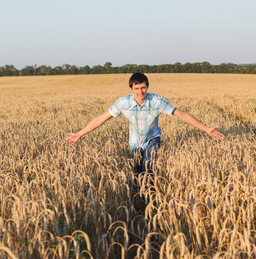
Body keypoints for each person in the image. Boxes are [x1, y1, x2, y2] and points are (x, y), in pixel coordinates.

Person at [65, 73, 225, 202]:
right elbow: (101, 118)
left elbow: (181, 114)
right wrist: (79, 133)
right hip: (134, 143)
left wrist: (206, 129)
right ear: (131, 88)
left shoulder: (157, 101)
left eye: (143, 88)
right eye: (137, 88)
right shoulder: (124, 102)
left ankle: (146, 203)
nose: (140, 92)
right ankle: (137, 199)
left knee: (148, 169)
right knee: (136, 172)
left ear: (147, 87)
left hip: (152, 139)